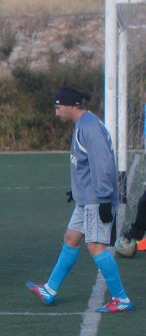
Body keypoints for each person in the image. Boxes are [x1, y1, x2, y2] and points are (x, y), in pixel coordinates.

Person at [26, 86, 132, 313]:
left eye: (58, 108)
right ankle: (50, 289)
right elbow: (85, 164)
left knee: (96, 247)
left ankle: (121, 298)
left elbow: (102, 165)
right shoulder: (82, 125)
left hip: (96, 198)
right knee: (71, 237)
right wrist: (76, 191)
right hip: (86, 197)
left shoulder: (90, 127)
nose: (56, 113)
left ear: (71, 106)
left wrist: (104, 200)